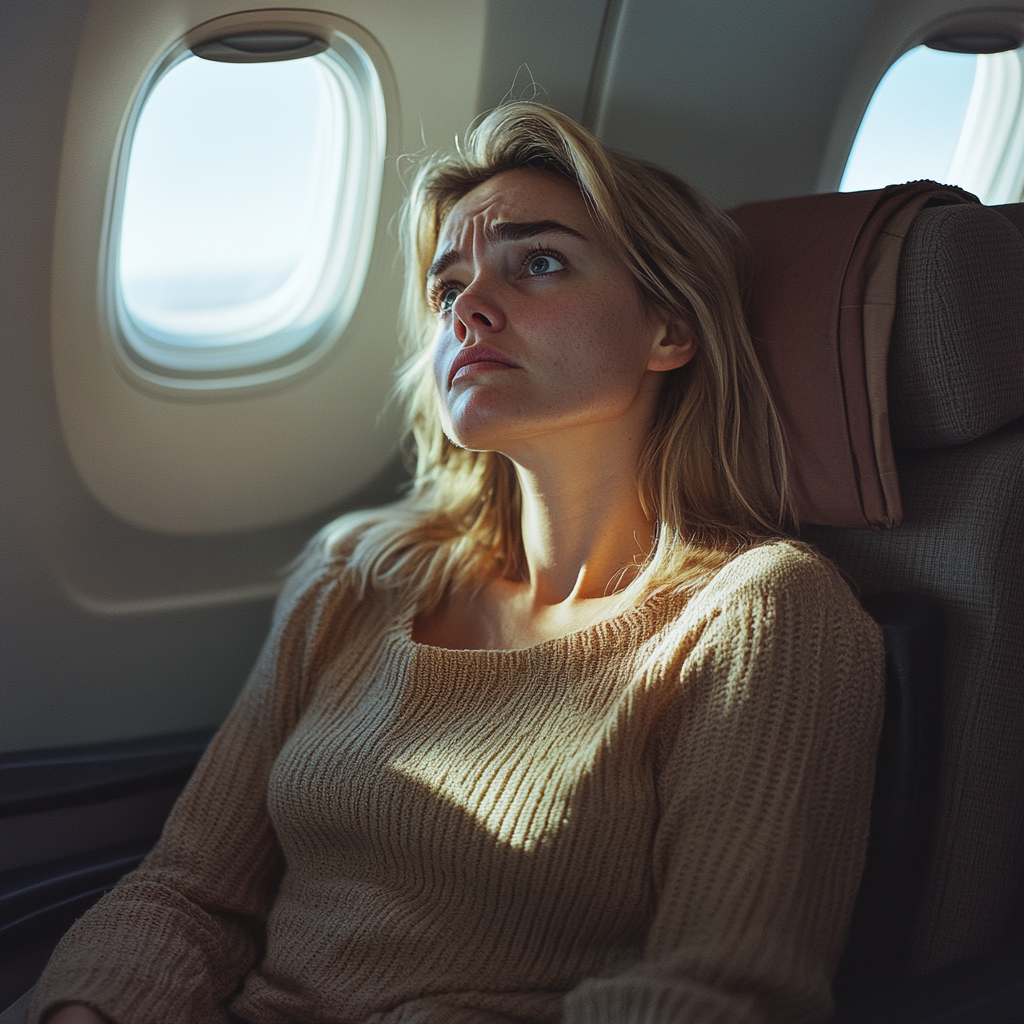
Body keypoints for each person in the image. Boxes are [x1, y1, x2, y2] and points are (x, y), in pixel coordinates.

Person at [32, 103, 884, 1024]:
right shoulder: (361, 573)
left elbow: (717, 992)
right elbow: (190, 893)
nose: (468, 308)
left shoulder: (761, 614)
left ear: (667, 331)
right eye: (447, 290)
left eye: (539, 263)